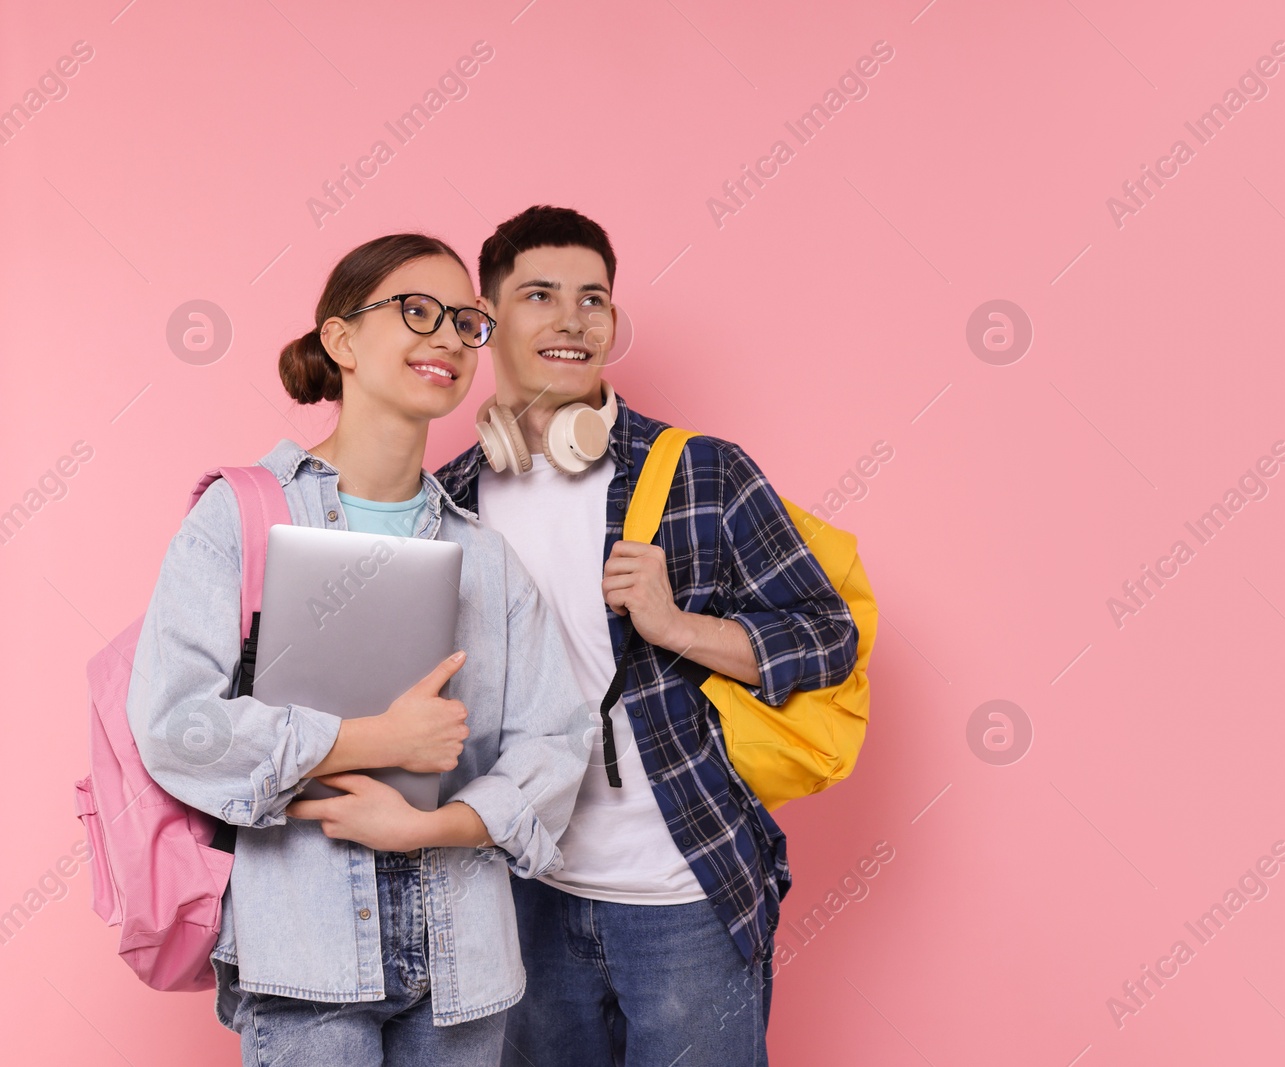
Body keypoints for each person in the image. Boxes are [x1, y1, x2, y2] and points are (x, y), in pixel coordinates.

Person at [126, 233, 589, 1066]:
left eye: (466, 321)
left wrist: (429, 824)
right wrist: (371, 741)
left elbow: (555, 739)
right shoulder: (240, 518)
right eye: (418, 311)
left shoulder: (488, 557)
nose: (449, 337)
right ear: (340, 340)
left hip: (465, 969)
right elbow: (175, 723)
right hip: (306, 962)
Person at [435, 206, 859, 1066]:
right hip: (525, 893)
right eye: (540, 295)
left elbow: (829, 635)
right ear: (486, 321)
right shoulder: (450, 502)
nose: (572, 319)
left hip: (683, 891)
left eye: (593, 298)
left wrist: (677, 626)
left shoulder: (702, 470)